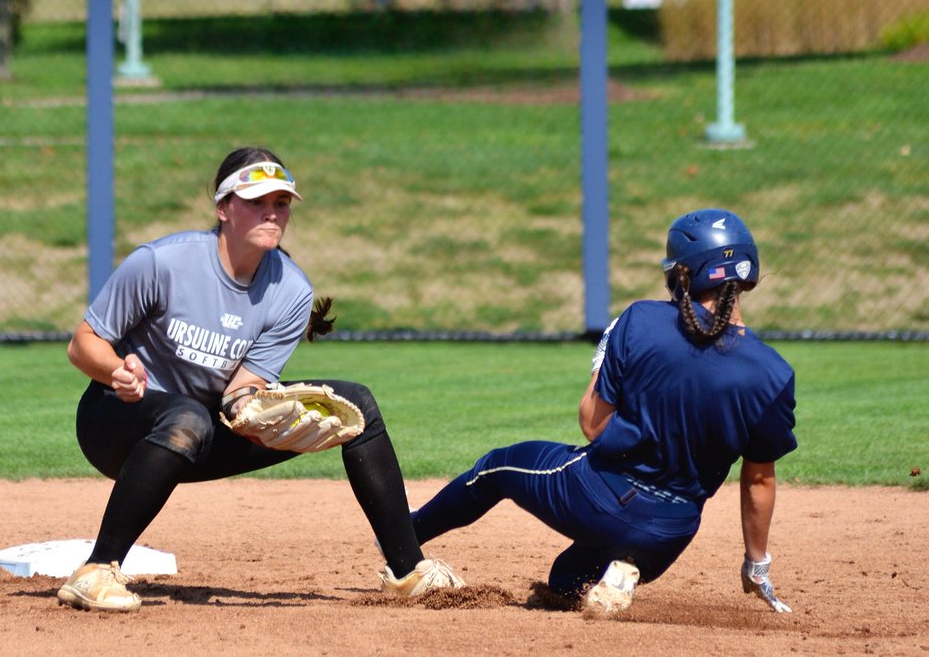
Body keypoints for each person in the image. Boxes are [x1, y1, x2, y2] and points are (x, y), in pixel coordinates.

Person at [57, 146, 463, 612]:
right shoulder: (162, 263)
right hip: (116, 422)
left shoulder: (290, 291)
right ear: (223, 208)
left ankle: (408, 570)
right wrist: (116, 371)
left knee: (356, 407)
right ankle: (97, 569)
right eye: (256, 202)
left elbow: (239, 391)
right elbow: (82, 343)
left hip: (202, 432)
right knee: (186, 416)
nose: (272, 214)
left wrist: (262, 414)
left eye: (281, 204)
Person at [408, 208, 797, 615]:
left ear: (683, 274)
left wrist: (602, 355)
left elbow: (592, 423)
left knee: (495, 468)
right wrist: (756, 565)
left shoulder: (644, 319)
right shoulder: (774, 373)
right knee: (563, 583)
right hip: (668, 534)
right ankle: (622, 573)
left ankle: (406, 534)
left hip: (599, 495)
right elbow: (758, 482)